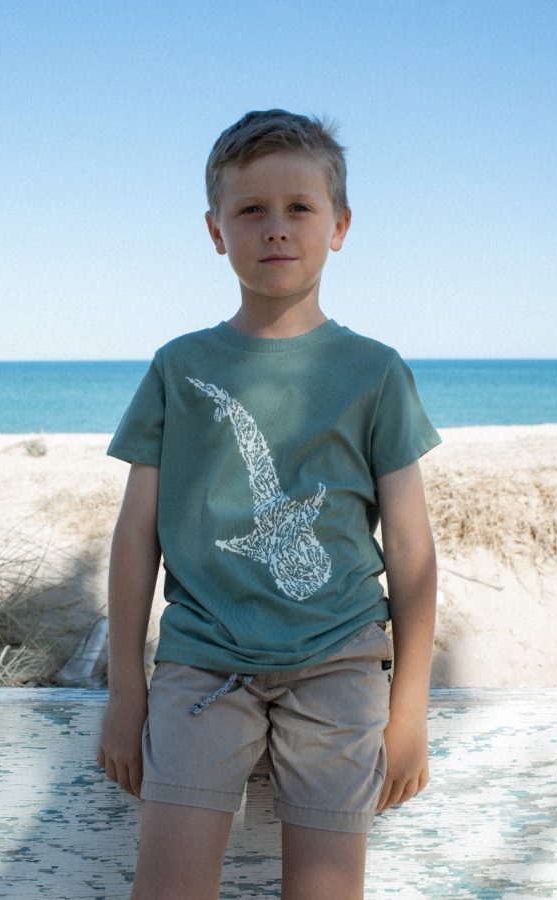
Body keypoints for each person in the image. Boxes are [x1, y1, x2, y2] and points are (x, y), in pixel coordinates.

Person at [98, 109, 441, 900]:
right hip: (202, 666)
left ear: (340, 226)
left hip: (340, 668)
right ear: (217, 231)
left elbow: (413, 550)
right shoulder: (177, 367)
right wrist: (127, 693)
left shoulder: (374, 371)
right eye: (251, 209)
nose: (276, 229)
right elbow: (134, 535)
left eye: (299, 208)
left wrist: (410, 707)